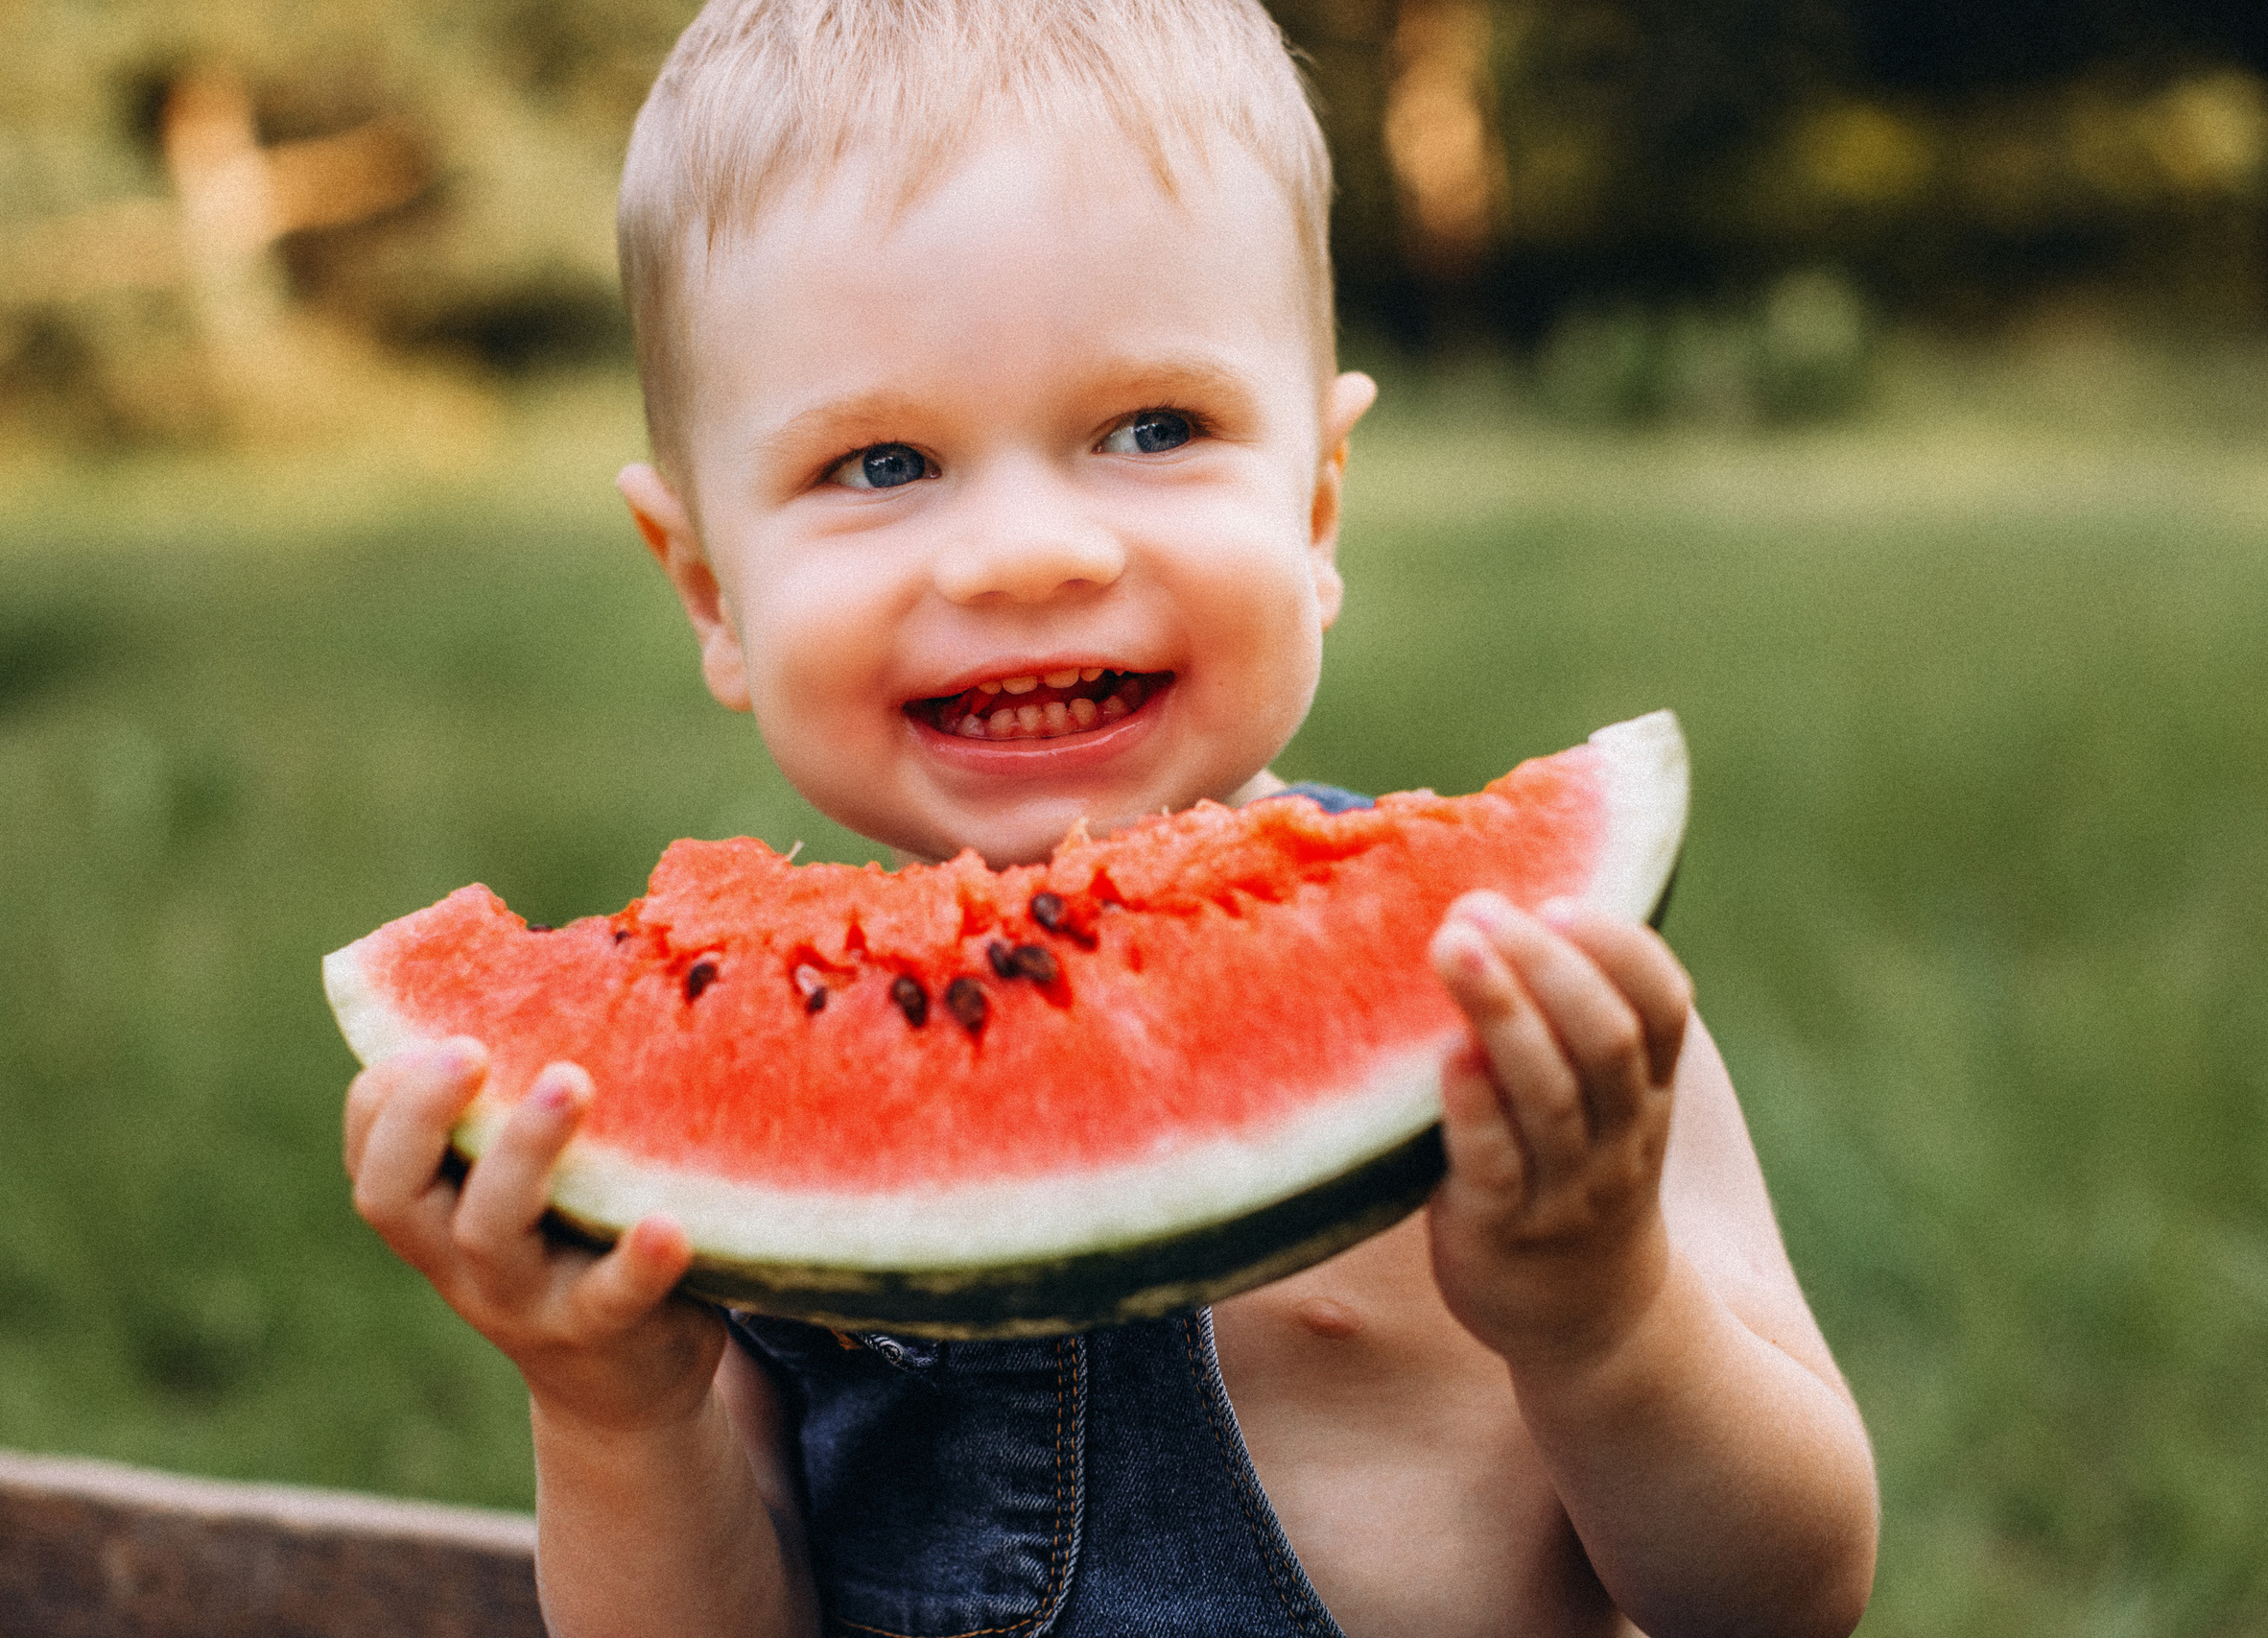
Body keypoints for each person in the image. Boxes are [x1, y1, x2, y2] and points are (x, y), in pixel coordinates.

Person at [341, 1, 1880, 1632]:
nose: (1025, 553)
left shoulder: (1521, 1004)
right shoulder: (686, 1140)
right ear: (712, 589)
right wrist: (614, 1409)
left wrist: (1606, 1317)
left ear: (1315, 506)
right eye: (880, 463)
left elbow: (1784, 1602)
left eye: (1156, 429)